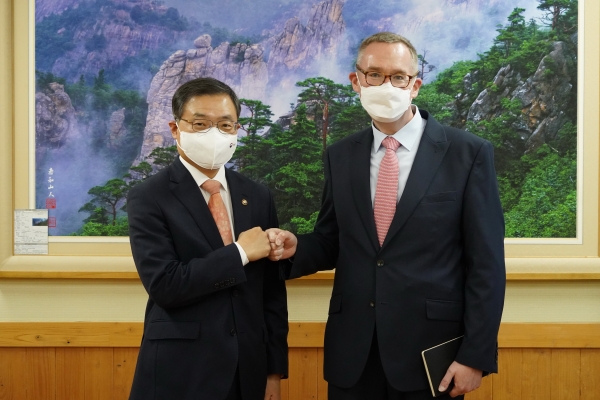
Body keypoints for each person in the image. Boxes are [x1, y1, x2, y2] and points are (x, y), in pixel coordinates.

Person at [267, 32, 505, 399]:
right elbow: (332, 240)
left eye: (398, 77)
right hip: (353, 355)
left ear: (415, 86)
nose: (386, 85)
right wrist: (296, 246)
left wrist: (475, 355)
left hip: (431, 356)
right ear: (356, 81)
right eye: (374, 74)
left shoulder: (467, 153)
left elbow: (486, 264)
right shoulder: (340, 155)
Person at [127, 77, 288, 400]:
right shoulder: (149, 196)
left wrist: (273, 371)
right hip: (180, 371)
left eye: (225, 125)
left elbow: (271, 292)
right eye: (200, 124)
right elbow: (165, 285)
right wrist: (240, 252)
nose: (214, 134)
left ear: (237, 129)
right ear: (175, 129)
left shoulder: (257, 195)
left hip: (248, 370)